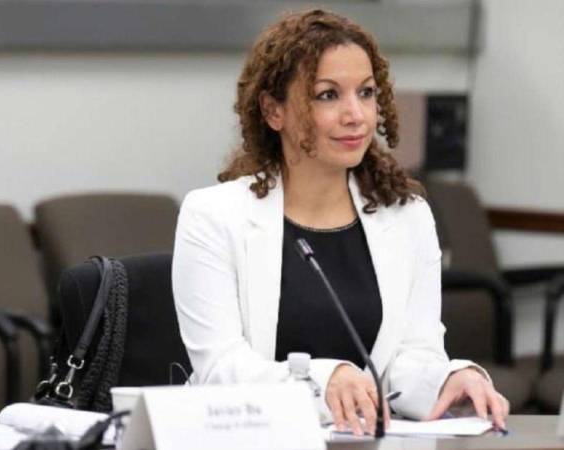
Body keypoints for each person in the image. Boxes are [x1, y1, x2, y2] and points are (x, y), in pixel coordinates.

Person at [172, 9, 509, 436]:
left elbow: (410, 358)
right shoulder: (213, 216)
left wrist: (448, 380)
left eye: (366, 93)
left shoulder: (408, 216)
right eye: (328, 95)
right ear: (273, 111)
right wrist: (323, 378)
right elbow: (220, 368)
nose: (356, 115)